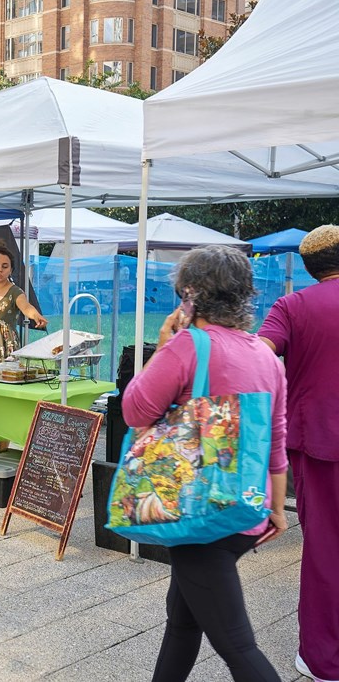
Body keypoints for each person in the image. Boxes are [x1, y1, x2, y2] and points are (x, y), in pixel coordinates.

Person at [122, 245, 286, 682]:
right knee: (183, 621)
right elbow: (276, 440)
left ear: (191, 295)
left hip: (196, 512)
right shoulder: (266, 355)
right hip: (245, 507)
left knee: (239, 646)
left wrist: (163, 346)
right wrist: (277, 508)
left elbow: (135, 411)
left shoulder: (187, 347)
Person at [258, 224, 339, 682]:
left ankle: (324, 660)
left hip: (319, 442)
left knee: (326, 550)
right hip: (319, 439)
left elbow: (261, 353)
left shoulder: (292, 305)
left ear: (310, 268)